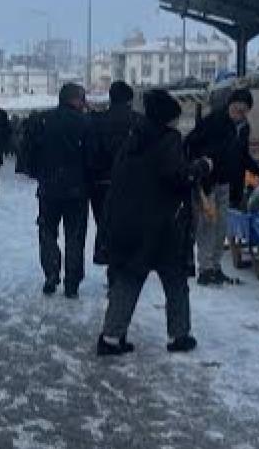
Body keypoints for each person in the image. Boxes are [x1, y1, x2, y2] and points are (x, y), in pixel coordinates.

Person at [98, 89, 213, 355]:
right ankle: (180, 335)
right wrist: (202, 167)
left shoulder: (133, 138)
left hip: (130, 222)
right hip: (162, 224)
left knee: (129, 278)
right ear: (167, 117)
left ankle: (111, 337)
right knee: (175, 279)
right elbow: (177, 176)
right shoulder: (168, 139)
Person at [185, 88, 259, 286]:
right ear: (230, 105)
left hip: (226, 182)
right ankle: (205, 269)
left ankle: (215, 266)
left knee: (221, 226)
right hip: (207, 182)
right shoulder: (214, 122)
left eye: (244, 110)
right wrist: (199, 168)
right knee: (207, 225)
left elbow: (243, 155)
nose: (239, 113)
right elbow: (191, 143)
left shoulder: (243, 128)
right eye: (237, 108)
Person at [35, 83, 92, 298]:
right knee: (75, 236)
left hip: (48, 188)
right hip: (76, 190)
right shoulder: (85, 123)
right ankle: (72, 283)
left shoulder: (43, 120)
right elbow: (92, 156)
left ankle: (51, 272)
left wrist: (41, 174)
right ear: (75, 100)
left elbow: (30, 151)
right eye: (82, 98)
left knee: (47, 232)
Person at [88, 81, 142, 269]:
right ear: (129, 100)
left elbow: (91, 152)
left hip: (101, 182)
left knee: (104, 222)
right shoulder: (138, 121)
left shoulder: (97, 121)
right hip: (131, 182)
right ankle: (124, 264)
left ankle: (110, 260)